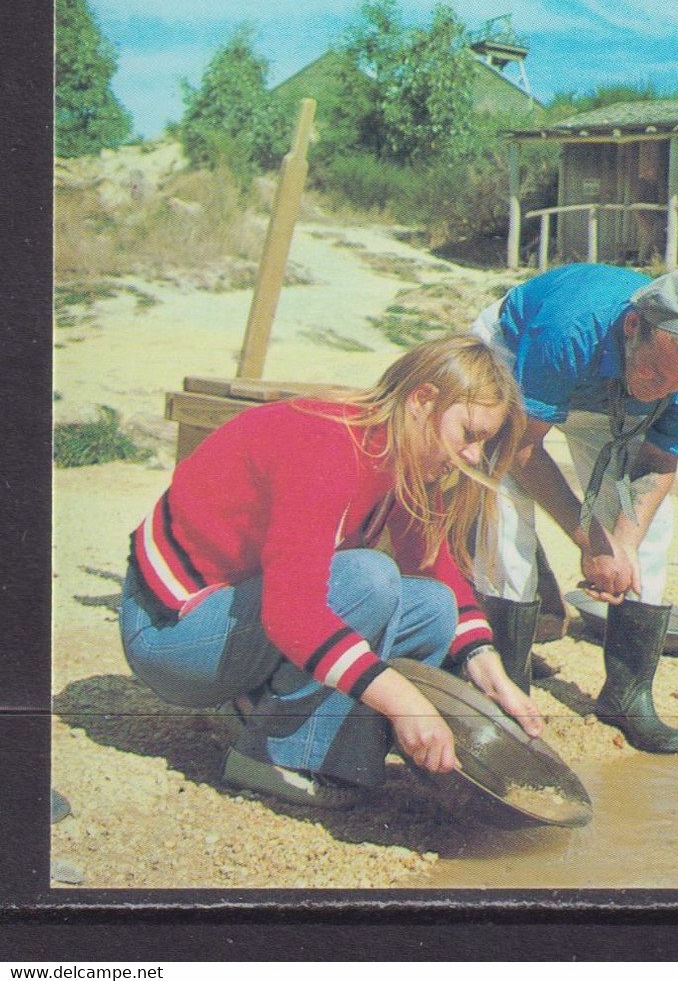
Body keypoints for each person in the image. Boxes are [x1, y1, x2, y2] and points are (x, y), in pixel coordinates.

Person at [119, 336, 543, 810]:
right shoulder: (325, 447)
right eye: (470, 434)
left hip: (232, 617)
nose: (472, 456)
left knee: (433, 605)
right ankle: (270, 755)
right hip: (170, 633)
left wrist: (488, 668)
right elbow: (292, 613)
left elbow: (432, 567)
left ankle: (313, 741)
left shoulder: (398, 450)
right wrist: (405, 701)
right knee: (369, 580)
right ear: (423, 400)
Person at [470, 265, 678, 754]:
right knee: (504, 510)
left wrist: (623, 543)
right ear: (633, 326)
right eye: (655, 372)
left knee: (652, 528)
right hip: (523, 359)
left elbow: (659, 459)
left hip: (610, 389)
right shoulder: (568, 330)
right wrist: (591, 542)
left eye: (677, 384)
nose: (662, 389)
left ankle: (627, 694)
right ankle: (505, 690)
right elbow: (522, 449)